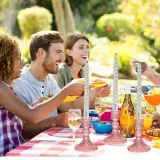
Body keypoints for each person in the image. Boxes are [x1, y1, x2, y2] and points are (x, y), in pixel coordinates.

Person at [13, 31, 111, 140]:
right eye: (58, 52)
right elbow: (22, 130)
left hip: (51, 143)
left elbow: (70, 106)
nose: (62, 58)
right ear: (41, 53)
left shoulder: (49, 80)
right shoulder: (19, 84)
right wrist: (55, 121)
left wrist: (95, 92)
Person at [0, 34, 85, 156]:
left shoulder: (6, 87)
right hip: (8, 153)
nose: (22, 63)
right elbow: (33, 116)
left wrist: (35, 105)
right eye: (18, 58)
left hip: (16, 150)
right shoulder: (2, 88)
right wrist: (66, 90)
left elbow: (21, 119)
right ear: (5, 60)